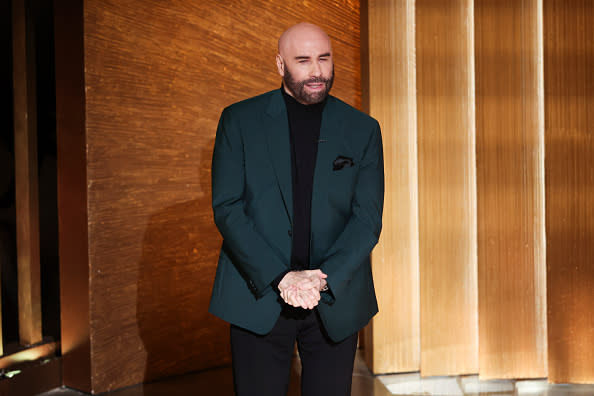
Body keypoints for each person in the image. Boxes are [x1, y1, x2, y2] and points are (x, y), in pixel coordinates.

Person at [209, 22, 384, 396]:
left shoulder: (363, 129)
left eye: (323, 58)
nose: (317, 71)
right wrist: (282, 277)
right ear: (279, 64)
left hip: (334, 297)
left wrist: (323, 277)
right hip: (258, 296)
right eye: (303, 61)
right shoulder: (239, 121)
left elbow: (367, 219)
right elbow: (228, 208)